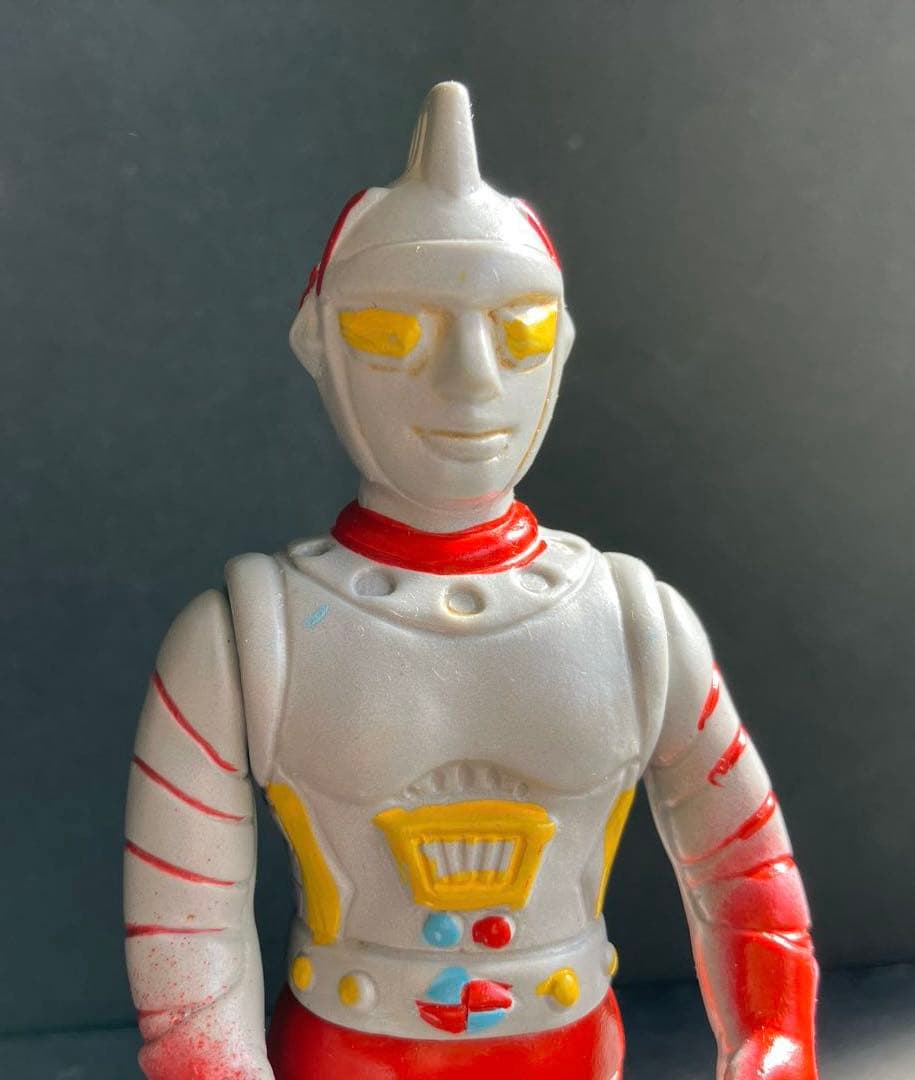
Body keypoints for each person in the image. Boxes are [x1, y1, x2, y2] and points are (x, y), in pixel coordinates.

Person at [124, 81, 818, 1079]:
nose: (471, 378)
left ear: (560, 344)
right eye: (394, 327)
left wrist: (773, 1041)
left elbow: (745, 869)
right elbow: (187, 949)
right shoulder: (242, 639)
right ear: (317, 337)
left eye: (519, 327)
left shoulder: (636, 622)